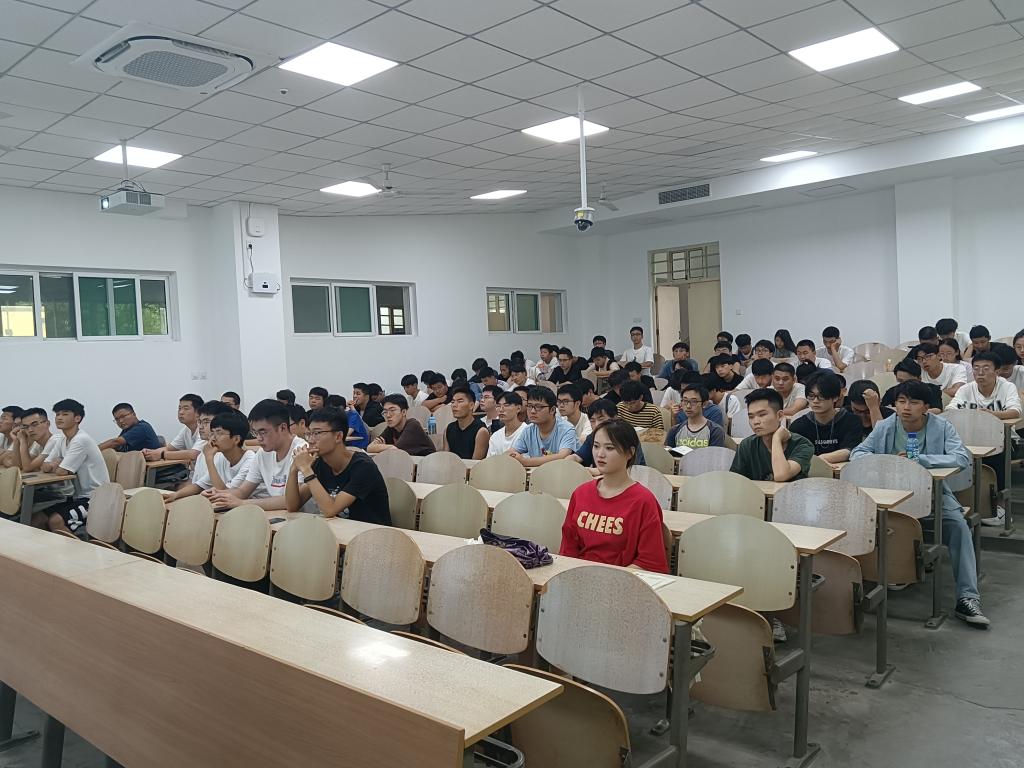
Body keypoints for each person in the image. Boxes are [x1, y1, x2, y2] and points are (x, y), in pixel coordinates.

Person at [851, 381, 987, 627]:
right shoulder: (886, 426)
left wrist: (921, 460)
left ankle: (967, 597)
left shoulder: (942, 427)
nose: (906, 407)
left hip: (933, 496)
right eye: (901, 401)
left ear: (926, 407)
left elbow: (961, 458)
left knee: (959, 527)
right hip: (889, 498)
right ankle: (855, 591)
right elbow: (857, 453)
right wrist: (886, 462)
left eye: (913, 402)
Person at [559, 420, 668, 573]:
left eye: (609, 448)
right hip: (578, 577)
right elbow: (568, 549)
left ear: (630, 452)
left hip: (622, 581)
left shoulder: (643, 501)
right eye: (596, 446)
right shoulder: (581, 494)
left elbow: (649, 562)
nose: (600, 454)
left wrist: (609, 581)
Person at [949, 351, 1022, 526]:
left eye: (986, 368)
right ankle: (959, 504)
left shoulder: (1007, 387)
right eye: (976, 368)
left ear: (997, 371)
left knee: (997, 456)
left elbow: (1015, 411)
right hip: (971, 439)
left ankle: (1000, 508)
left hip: (1003, 439)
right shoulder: (966, 389)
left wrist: (989, 415)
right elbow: (950, 410)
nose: (980, 373)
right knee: (955, 455)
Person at [286, 408, 391, 524]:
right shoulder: (321, 463)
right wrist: (294, 469)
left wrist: (306, 469)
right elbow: (292, 506)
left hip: (371, 531)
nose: (310, 440)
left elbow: (330, 510)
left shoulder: (364, 467)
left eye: (316, 433)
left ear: (338, 436)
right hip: (341, 529)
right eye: (309, 434)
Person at [207, 399, 308, 512]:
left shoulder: (302, 451)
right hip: (280, 516)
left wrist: (241, 503)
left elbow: (291, 501)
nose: (259, 438)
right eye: (255, 433)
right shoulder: (262, 453)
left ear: (282, 428)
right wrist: (217, 495)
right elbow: (243, 491)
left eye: (263, 432)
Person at [34, 399, 109, 534]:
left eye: (65, 414)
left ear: (77, 418)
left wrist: (57, 463)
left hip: (95, 498)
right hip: (77, 497)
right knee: (38, 518)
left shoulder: (81, 440)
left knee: (56, 521)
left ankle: (78, 548)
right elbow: (44, 466)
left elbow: (62, 471)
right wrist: (56, 464)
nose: (59, 418)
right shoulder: (62, 439)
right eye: (57, 414)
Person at [163, 410, 256, 504]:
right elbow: (200, 485)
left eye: (219, 433)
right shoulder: (222, 457)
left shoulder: (250, 460)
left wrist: (209, 459)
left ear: (236, 439)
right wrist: (175, 495)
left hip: (254, 507)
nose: (213, 438)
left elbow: (224, 493)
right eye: (212, 433)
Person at [730, 388, 813, 482]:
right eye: (751, 417)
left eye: (762, 415)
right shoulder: (747, 445)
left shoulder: (802, 444)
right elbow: (735, 481)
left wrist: (776, 438)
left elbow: (781, 475)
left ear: (780, 416)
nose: (755, 422)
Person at [789, 372, 863, 463]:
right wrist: (819, 463)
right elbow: (795, 455)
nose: (815, 401)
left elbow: (849, 451)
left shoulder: (851, 421)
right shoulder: (798, 426)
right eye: (811, 396)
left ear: (835, 397)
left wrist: (819, 461)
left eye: (821, 396)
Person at [508, 386, 579, 467]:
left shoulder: (567, 429)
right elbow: (511, 452)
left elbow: (562, 456)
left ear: (552, 410)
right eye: (530, 406)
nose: (532, 411)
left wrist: (525, 461)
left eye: (538, 407)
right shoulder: (528, 430)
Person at [571, 399, 648, 471]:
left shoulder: (627, 435)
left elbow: (628, 469)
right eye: (592, 421)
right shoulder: (593, 437)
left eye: (601, 419)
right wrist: (567, 463)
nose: (597, 424)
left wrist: (594, 471)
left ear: (615, 418)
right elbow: (577, 457)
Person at [143, 393, 204, 465]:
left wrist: (162, 455)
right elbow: (168, 448)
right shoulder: (186, 430)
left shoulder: (204, 429)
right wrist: (150, 452)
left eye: (186, 409)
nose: (181, 412)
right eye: (179, 408)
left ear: (198, 413)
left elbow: (194, 454)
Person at [368, 394, 435, 457]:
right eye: (385, 412)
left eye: (392, 410)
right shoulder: (391, 427)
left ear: (404, 412)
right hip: (408, 461)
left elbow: (396, 450)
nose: (388, 415)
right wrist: (389, 447)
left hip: (427, 462)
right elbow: (369, 448)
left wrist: (385, 447)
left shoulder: (413, 425)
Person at [666, 384, 726, 450]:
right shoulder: (674, 430)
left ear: (704, 404)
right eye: (685, 401)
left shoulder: (715, 431)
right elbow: (668, 454)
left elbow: (715, 455)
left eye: (694, 401)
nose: (688, 406)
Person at [443, 385, 489, 460]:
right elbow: (446, 459)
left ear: (471, 405)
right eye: (453, 402)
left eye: (460, 401)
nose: (454, 405)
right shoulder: (449, 428)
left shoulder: (481, 431)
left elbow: (476, 463)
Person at [11, 407, 59, 473]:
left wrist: (23, 441)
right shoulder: (37, 444)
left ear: (47, 424)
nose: (30, 430)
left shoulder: (55, 440)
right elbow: (17, 466)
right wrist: (17, 440)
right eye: (26, 427)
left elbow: (27, 467)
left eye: (34, 425)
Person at [488, 391, 528, 457]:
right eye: (498, 406)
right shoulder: (495, 436)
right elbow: (490, 461)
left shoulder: (527, 432)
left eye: (506, 405)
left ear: (518, 408)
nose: (501, 410)